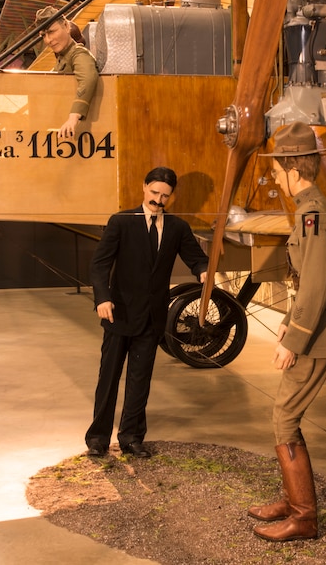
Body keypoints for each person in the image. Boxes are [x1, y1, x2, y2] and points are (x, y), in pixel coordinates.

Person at [247, 122, 326, 542]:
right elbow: (308, 278)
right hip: (314, 324)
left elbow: (313, 285)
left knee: (284, 417)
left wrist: (294, 340)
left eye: (277, 167)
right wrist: (289, 321)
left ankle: (304, 518)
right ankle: (293, 503)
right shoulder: (310, 210)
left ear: (293, 167)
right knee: (284, 417)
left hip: (319, 331)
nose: (273, 175)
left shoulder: (312, 214)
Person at [86, 166, 209, 459]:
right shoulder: (121, 222)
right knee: (109, 377)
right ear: (143, 187)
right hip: (119, 314)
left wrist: (204, 271)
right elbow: (99, 264)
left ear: (171, 196)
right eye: (154, 193)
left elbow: (196, 258)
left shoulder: (177, 227)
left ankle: (131, 437)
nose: (158, 200)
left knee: (140, 379)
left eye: (165, 195)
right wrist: (102, 298)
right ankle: (98, 438)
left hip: (152, 318)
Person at [35, 5, 99, 140]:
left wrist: (73, 117)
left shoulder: (78, 54)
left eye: (52, 32)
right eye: (43, 36)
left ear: (66, 26)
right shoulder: (63, 57)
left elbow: (88, 78)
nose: (47, 40)